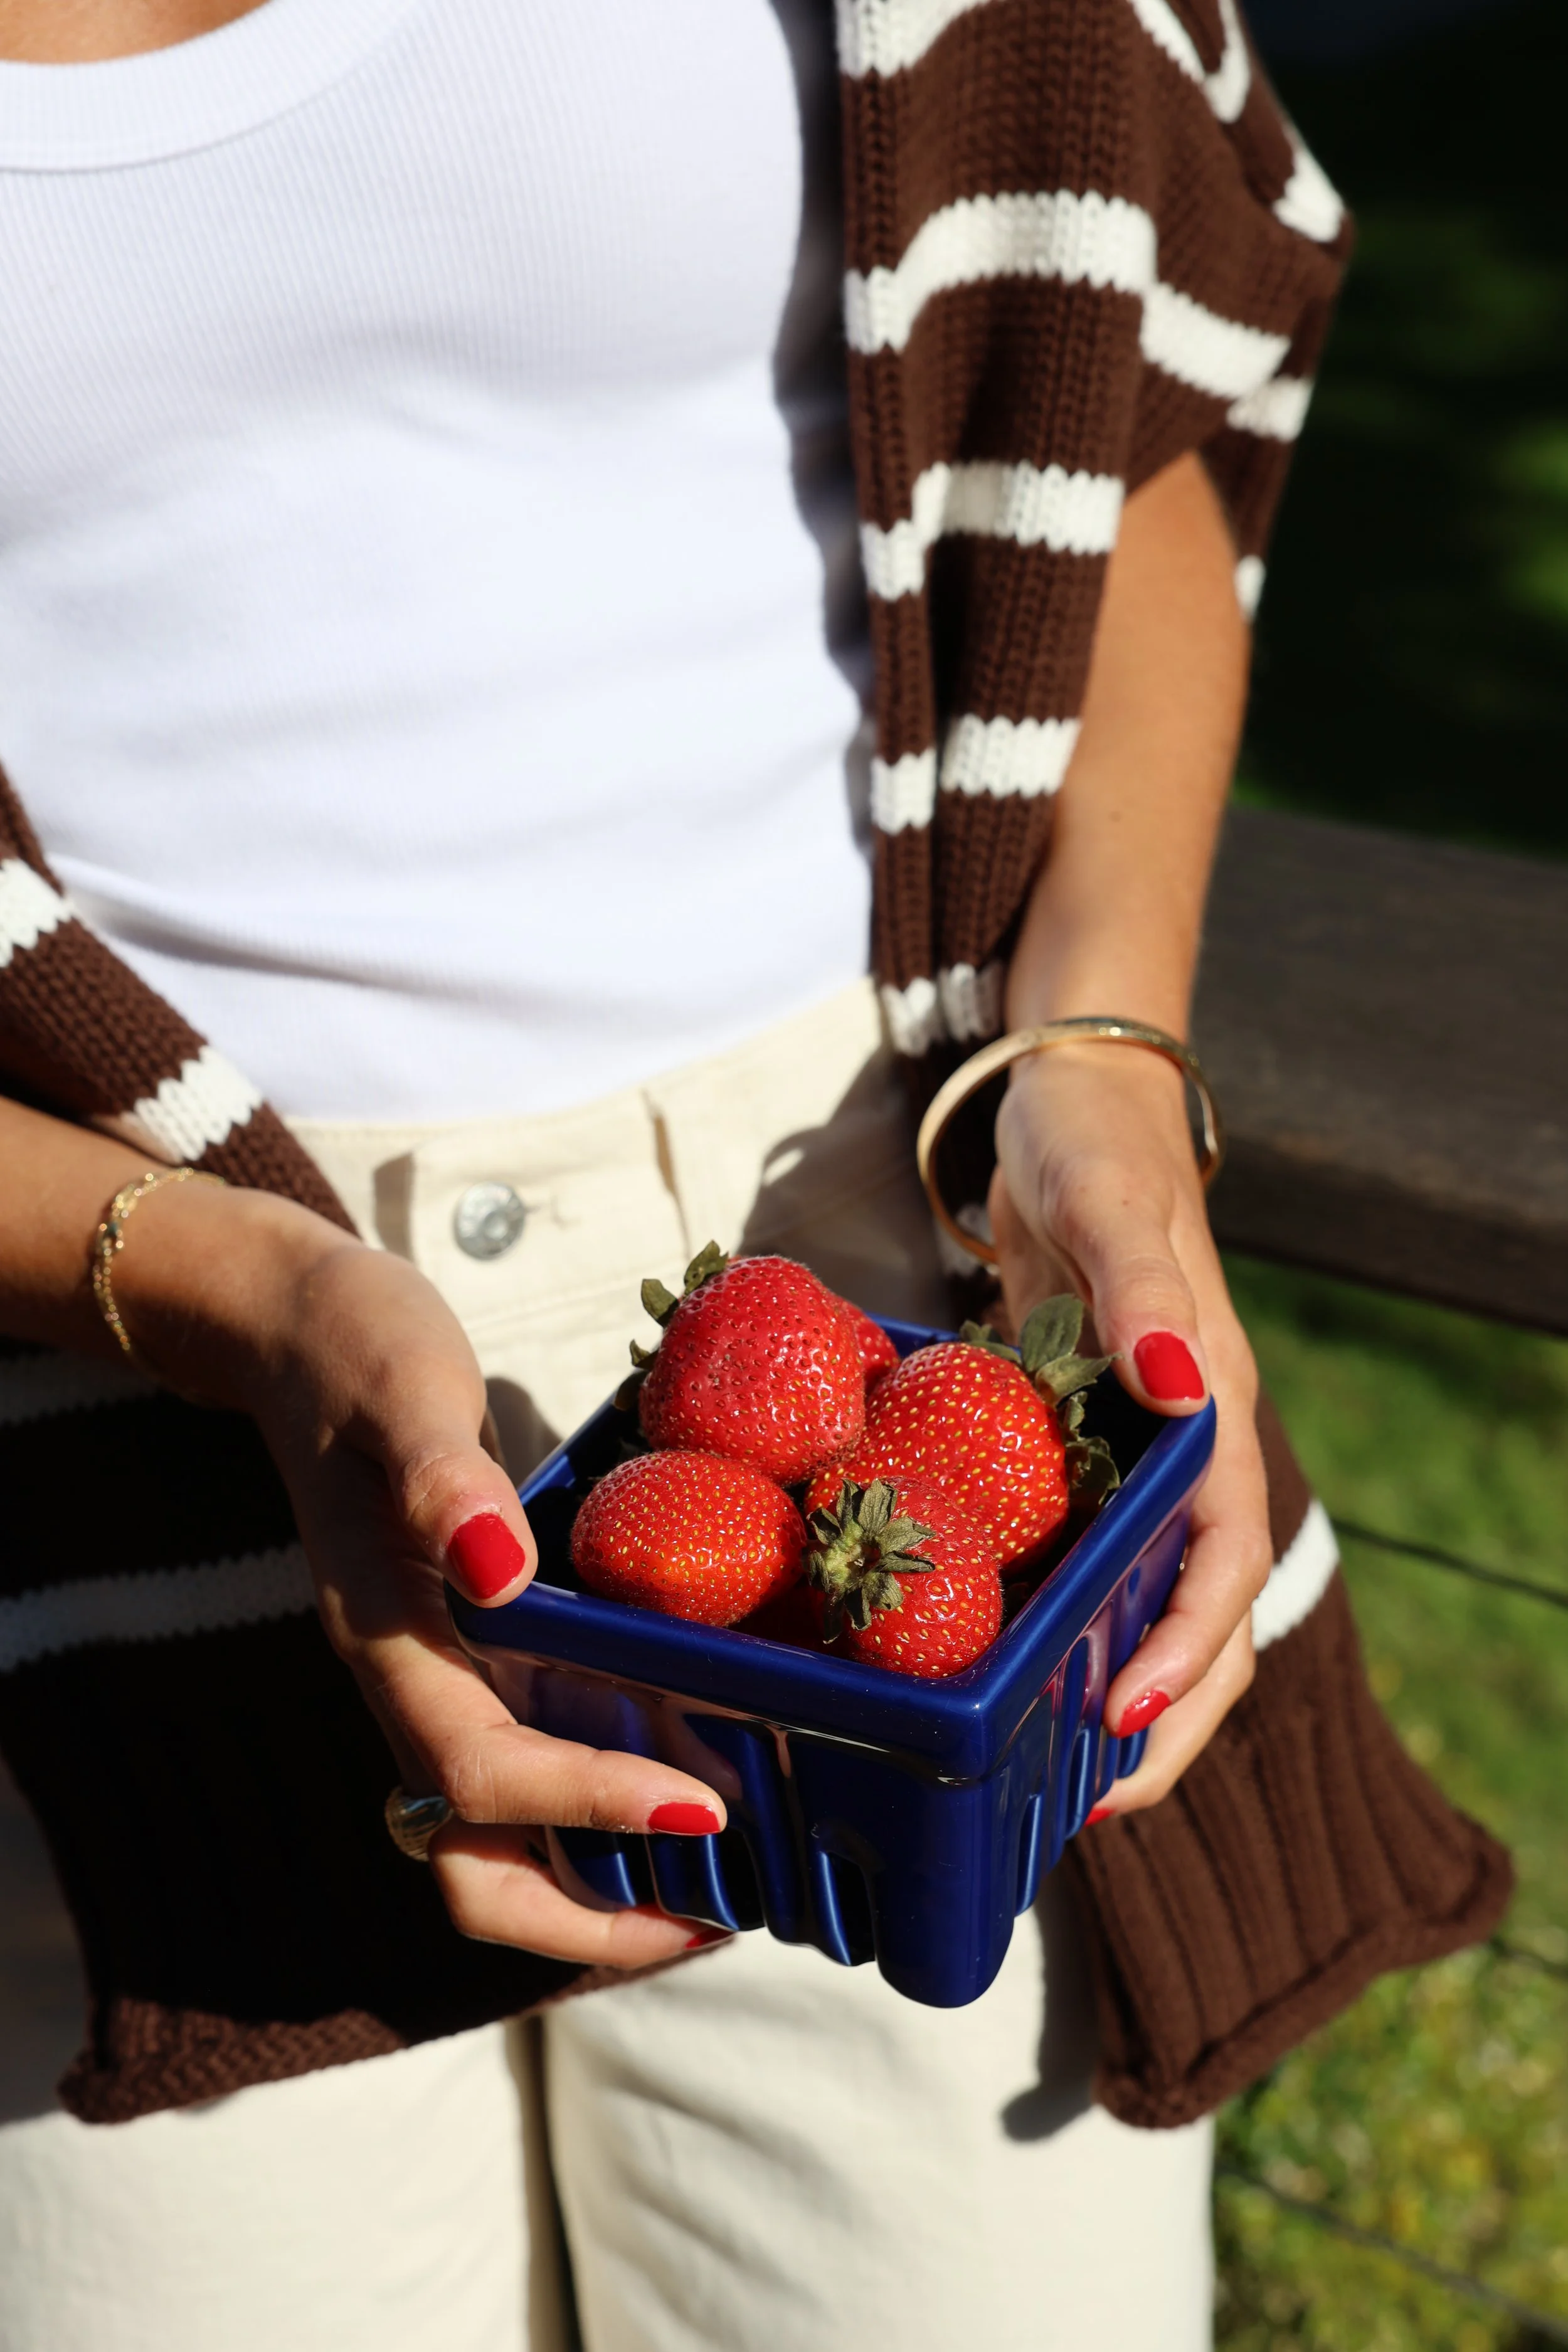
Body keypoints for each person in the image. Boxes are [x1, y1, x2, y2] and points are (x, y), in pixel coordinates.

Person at [0, 1, 1508, 2346]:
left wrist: (1096, 1061)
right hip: (91, 1450)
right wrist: (234, 1288)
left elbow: (1116, 422)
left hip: (881, 1308)